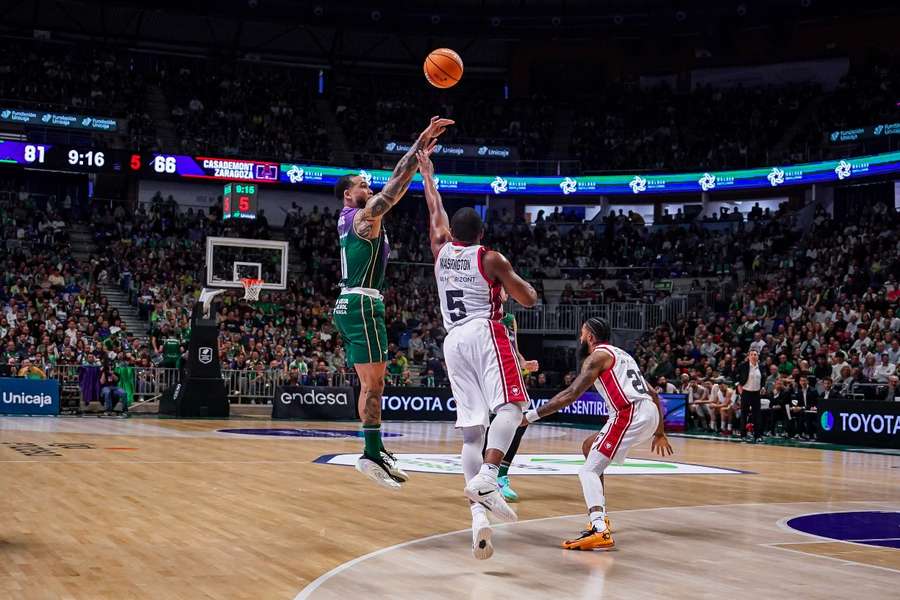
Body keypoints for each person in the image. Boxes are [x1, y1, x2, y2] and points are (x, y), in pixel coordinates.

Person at [420, 146, 537, 560]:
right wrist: (505, 275)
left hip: (451, 340)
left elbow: (434, 209)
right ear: (481, 234)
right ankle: (490, 475)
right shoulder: (489, 258)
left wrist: (427, 173)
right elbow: (528, 299)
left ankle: (478, 518)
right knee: (514, 408)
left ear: (453, 232)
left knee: (472, 431)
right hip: (485, 331)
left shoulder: (440, 249)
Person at [332, 116, 454, 489]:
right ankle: (370, 454)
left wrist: (418, 151)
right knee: (374, 385)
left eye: (368, 184)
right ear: (347, 195)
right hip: (362, 305)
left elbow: (393, 188)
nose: (367, 187)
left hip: (351, 304)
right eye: (361, 185)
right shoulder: (361, 217)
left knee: (373, 385)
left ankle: (373, 449)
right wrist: (419, 149)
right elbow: (394, 188)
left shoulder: (354, 217)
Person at [523, 317, 672, 551]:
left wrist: (530, 417)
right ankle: (601, 516)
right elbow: (653, 393)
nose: (580, 338)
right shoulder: (623, 355)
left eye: (582, 334)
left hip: (629, 412)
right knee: (589, 447)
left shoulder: (597, 357)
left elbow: (571, 394)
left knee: (588, 471)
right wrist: (659, 432)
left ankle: (600, 530)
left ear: (590, 337)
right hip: (647, 412)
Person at [493, 288, 540, 503]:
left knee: (519, 422)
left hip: (510, 375)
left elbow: (514, 348)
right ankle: (485, 476)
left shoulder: (510, 319)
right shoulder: (482, 316)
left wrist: (524, 363)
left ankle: (501, 476)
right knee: (486, 426)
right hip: (490, 375)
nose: (504, 291)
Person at [735, 350, 764, 442]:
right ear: (748, 356)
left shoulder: (761, 367)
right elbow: (735, 376)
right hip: (746, 392)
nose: (753, 356)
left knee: (757, 416)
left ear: (758, 356)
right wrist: (738, 386)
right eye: (751, 355)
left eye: (755, 355)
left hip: (756, 394)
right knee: (744, 415)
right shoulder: (743, 366)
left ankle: (757, 436)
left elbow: (763, 378)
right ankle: (743, 435)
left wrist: (762, 387)